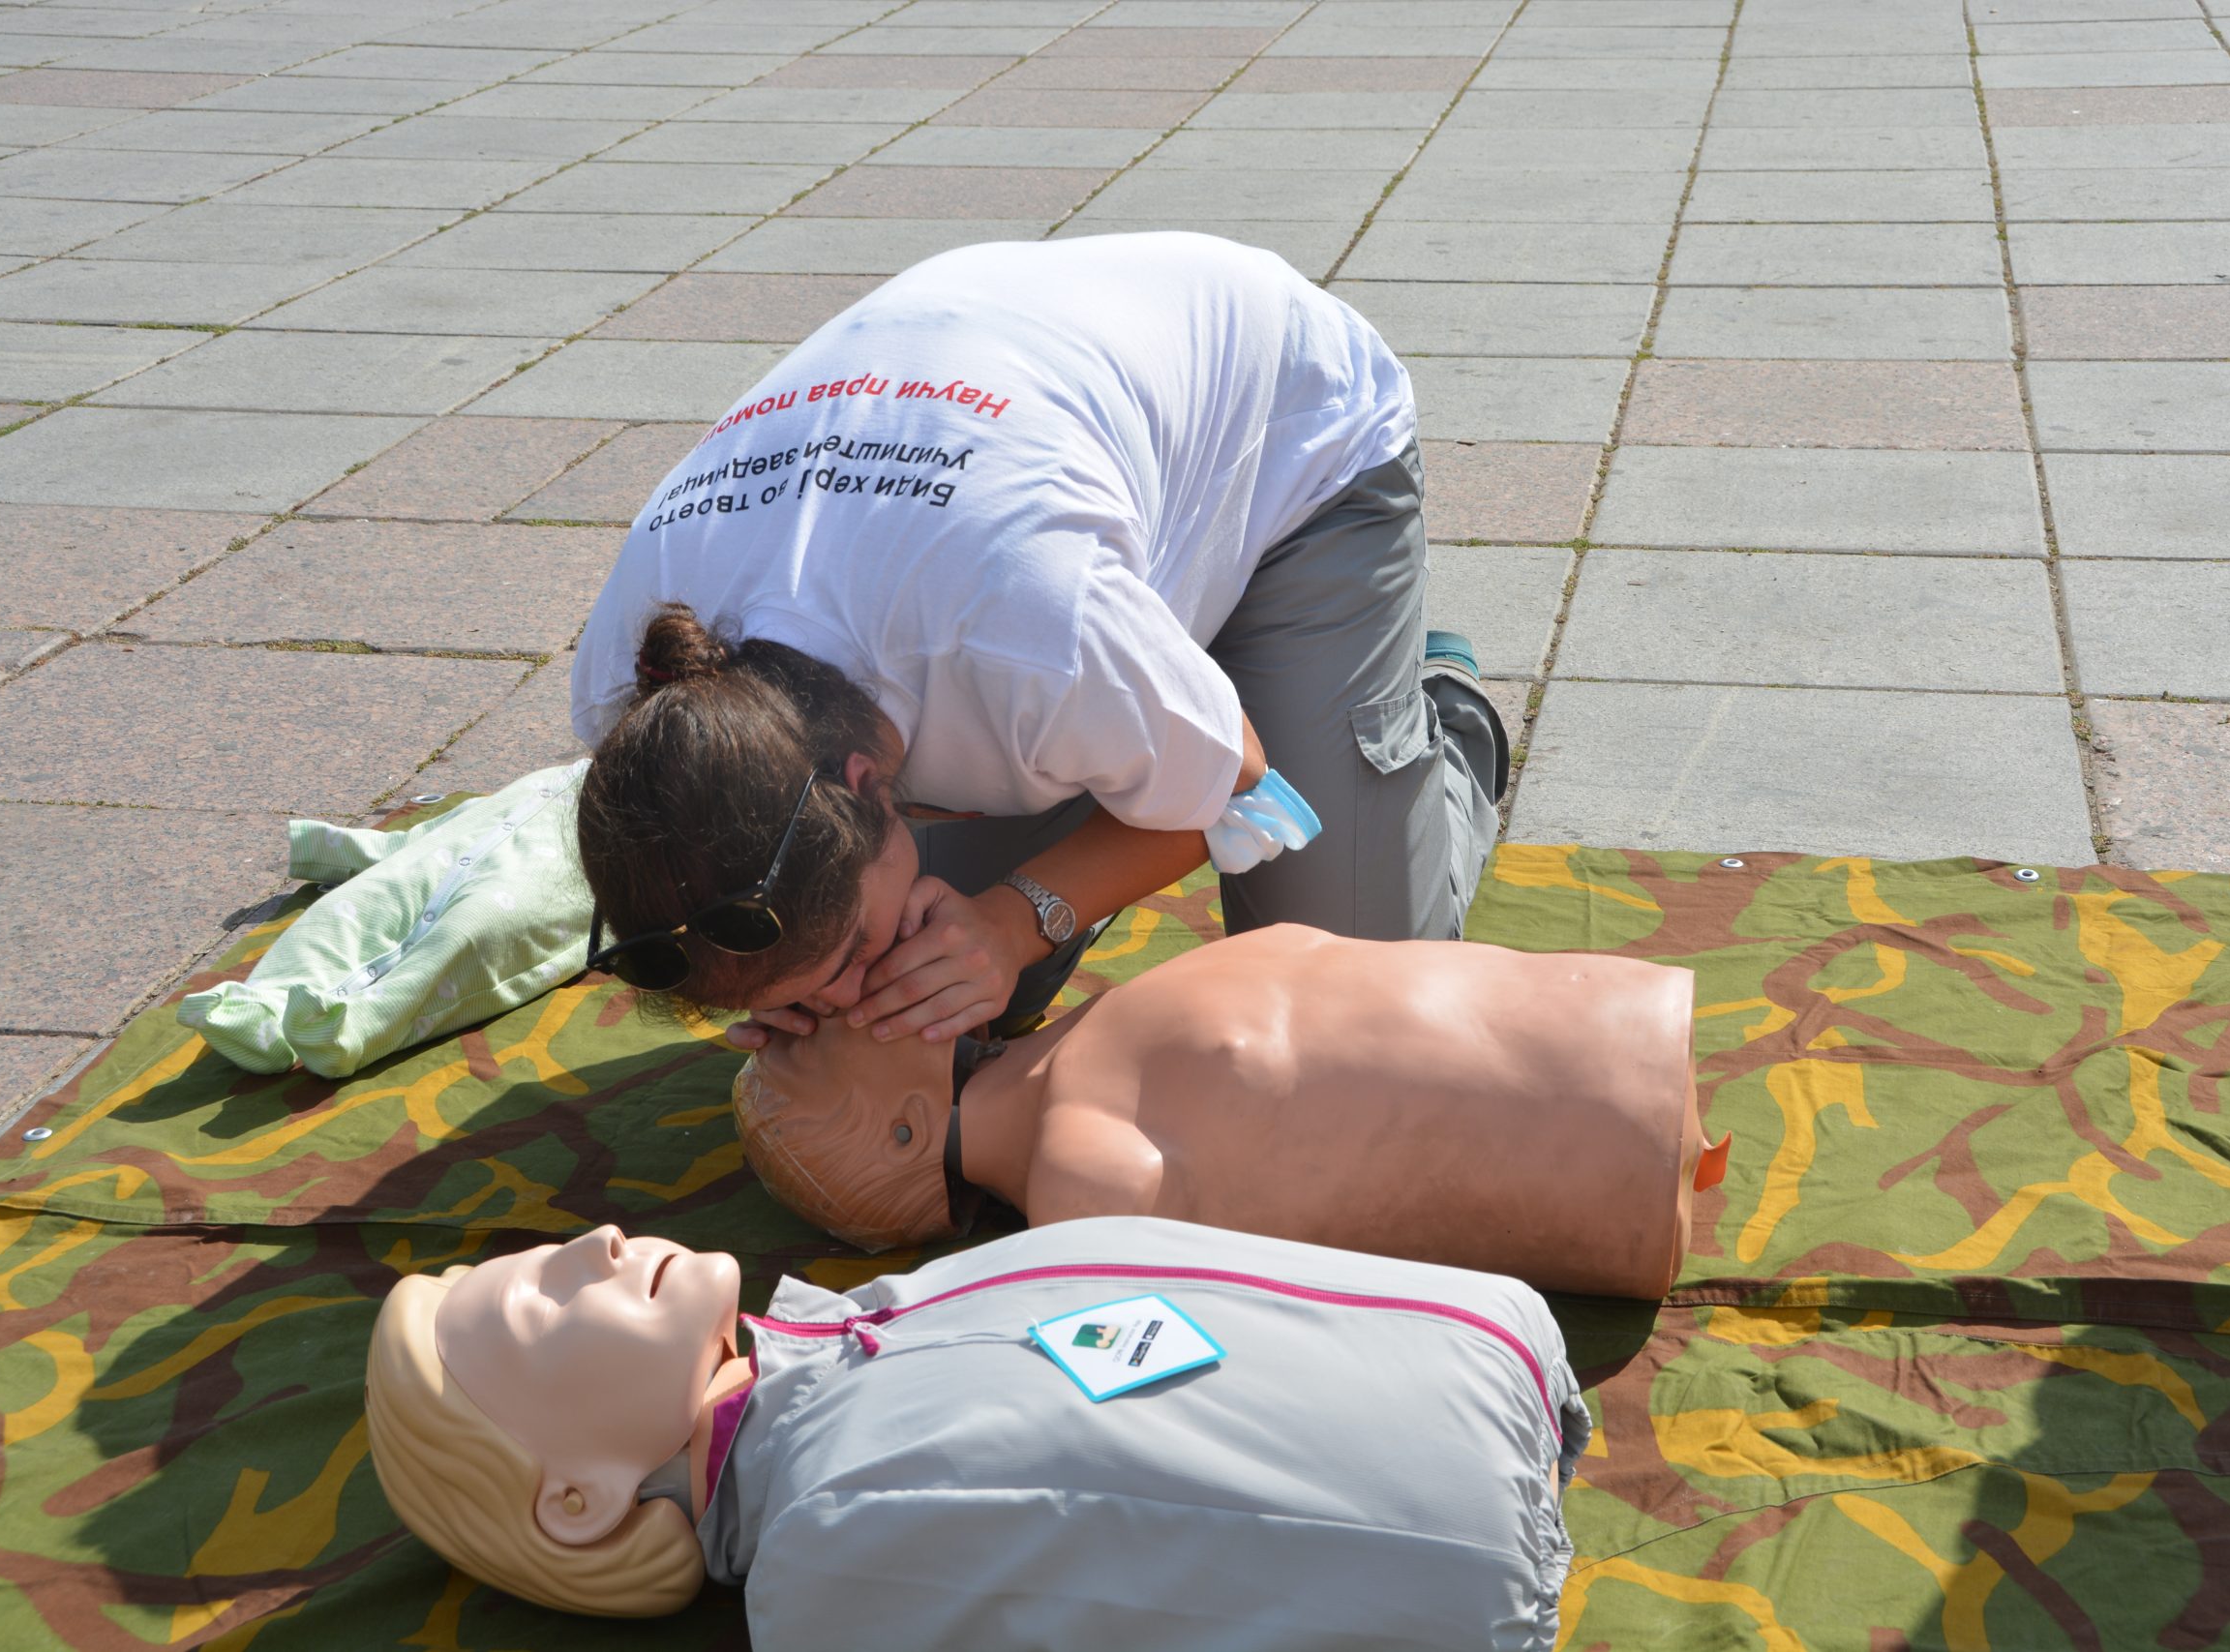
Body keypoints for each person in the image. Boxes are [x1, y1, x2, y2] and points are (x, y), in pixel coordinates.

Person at [568, 231, 1507, 1051]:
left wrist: (1016, 922)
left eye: (847, 955)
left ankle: (1434, 716)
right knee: (936, 998)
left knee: (1350, 1012)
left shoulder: (1023, 630)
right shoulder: (643, 694)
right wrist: (774, 982)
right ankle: (1149, 710)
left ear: (867, 785)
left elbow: (1243, 789)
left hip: (1289, 434)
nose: (843, 1000)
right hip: (1026, 447)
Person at [365, 1216, 1587, 1643]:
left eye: (548, 1250)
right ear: (576, 1500)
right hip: (1465, 1530)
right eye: (539, 1304)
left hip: (1486, 1361)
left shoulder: (860, 1329)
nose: (594, 1243)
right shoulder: (829, 1549)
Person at [733, 924, 1730, 1298]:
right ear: (904, 1129)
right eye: (815, 1040)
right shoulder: (1080, 1168)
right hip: (1608, 1134)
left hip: (1605, 1045)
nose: (831, 1002)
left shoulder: (1063, 1052)